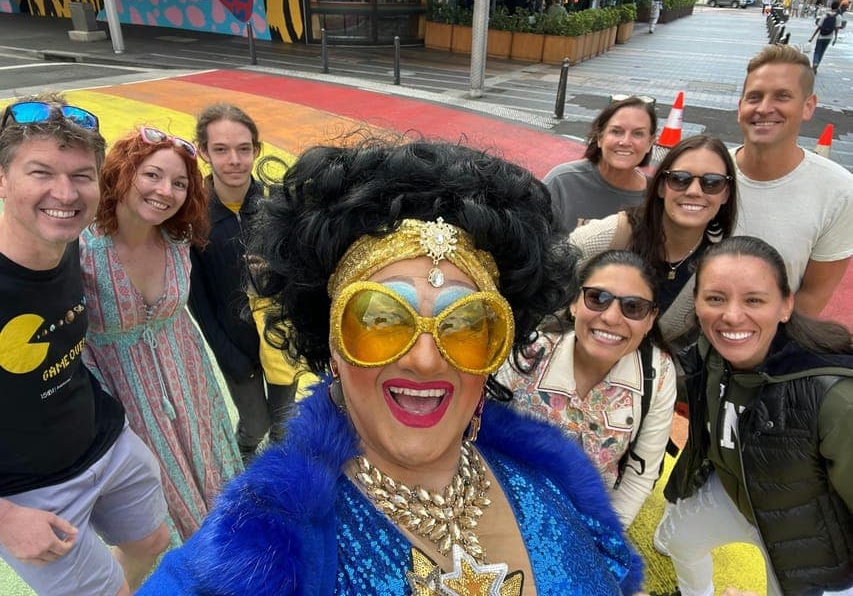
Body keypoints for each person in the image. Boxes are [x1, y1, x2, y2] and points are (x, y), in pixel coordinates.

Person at [139, 139, 645, 594]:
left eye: (466, 324)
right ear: (333, 343)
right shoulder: (261, 545)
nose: (425, 359)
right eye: (381, 320)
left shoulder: (556, 478)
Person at [0, 97, 169, 594]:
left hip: (103, 438)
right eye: (41, 172)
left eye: (80, 175)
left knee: (153, 540)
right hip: (27, 491)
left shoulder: (67, 239)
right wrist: (6, 517)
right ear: (2, 179)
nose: (64, 192)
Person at [655, 236, 853, 596]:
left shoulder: (836, 399)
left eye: (754, 300)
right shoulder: (709, 352)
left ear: (785, 306)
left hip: (808, 541)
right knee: (676, 539)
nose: (731, 315)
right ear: (696, 303)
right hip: (735, 491)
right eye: (715, 298)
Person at [80, 126, 242, 547]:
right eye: (152, 175)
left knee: (217, 476)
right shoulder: (81, 250)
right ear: (124, 172)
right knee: (158, 503)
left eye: (179, 183)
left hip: (193, 390)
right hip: (128, 403)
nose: (165, 190)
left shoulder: (177, 240)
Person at [499, 250, 677, 528]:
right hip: (505, 508)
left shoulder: (658, 373)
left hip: (587, 524)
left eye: (633, 307)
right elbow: (478, 433)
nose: (611, 317)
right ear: (574, 303)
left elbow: (639, 476)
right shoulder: (527, 353)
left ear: (651, 318)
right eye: (598, 298)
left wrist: (606, 543)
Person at [189, 103, 296, 463]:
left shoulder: (277, 204)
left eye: (243, 149)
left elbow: (302, 273)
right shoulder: (193, 216)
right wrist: (227, 355)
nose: (234, 160)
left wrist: (279, 268)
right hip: (234, 345)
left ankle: (278, 474)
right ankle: (245, 453)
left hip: (280, 339)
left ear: (256, 150)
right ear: (203, 151)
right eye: (220, 149)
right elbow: (199, 303)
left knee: (284, 422)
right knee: (256, 423)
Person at [570, 135, 737, 350]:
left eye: (712, 183)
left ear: (725, 194)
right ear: (660, 187)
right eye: (680, 179)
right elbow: (546, 290)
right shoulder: (612, 235)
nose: (694, 191)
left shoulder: (718, 267)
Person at [733, 44, 853, 317]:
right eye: (754, 97)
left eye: (782, 96)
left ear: (808, 106)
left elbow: (812, 296)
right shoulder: (707, 174)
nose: (764, 108)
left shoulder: (840, 192)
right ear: (740, 107)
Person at [543, 96, 657, 234]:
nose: (625, 142)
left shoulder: (654, 198)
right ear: (599, 137)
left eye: (638, 134)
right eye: (616, 131)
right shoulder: (561, 182)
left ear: (650, 143)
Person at [808, 0, 841, 73]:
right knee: (822, 52)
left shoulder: (825, 15)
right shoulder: (838, 17)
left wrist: (812, 38)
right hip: (829, 37)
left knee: (817, 51)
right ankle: (817, 65)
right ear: (838, 7)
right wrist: (835, 38)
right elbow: (837, 29)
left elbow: (819, 27)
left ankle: (815, 63)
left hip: (821, 36)